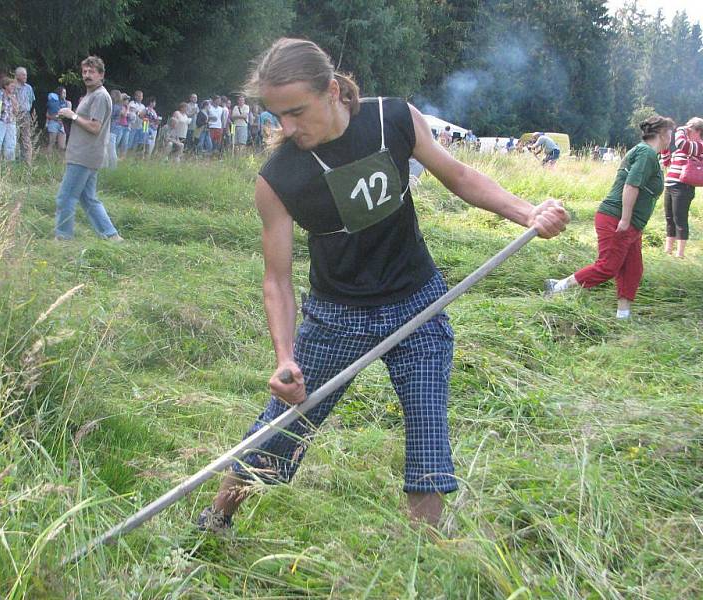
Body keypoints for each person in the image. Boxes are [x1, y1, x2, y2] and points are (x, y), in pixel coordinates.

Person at [196, 38, 568, 534]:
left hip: (418, 302)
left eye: (296, 111)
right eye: (276, 114)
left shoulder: (392, 118)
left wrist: (528, 212)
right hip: (337, 316)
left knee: (428, 429)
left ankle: (424, 554)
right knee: (284, 422)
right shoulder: (279, 177)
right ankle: (216, 519)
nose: (284, 127)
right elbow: (277, 278)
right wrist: (285, 357)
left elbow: (458, 175)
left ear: (331, 91)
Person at [545, 116, 675, 319]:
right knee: (607, 267)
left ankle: (623, 316)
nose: (671, 138)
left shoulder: (647, 154)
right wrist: (624, 219)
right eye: (670, 133)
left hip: (632, 223)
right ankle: (557, 286)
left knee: (633, 268)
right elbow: (631, 185)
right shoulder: (646, 153)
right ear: (661, 134)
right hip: (618, 219)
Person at [53, 56, 122, 242]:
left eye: (92, 72)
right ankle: (112, 236)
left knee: (65, 197)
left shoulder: (100, 96)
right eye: (84, 72)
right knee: (88, 199)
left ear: (101, 75)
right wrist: (69, 118)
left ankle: (63, 238)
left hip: (85, 155)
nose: (87, 75)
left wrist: (73, 116)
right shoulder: (92, 95)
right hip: (85, 153)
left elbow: (95, 127)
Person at [661, 118, 703, 258]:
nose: (687, 132)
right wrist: (664, 147)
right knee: (669, 218)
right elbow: (666, 162)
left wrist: (680, 129)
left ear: (698, 131)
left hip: (683, 187)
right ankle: (668, 250)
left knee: (680, 219)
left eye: (690, 129)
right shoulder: (685, 148)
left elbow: (680, 143)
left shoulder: (699, 146)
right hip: (670, 184)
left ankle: (680, 253)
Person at [0, 77, 20, 162]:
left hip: (11, 122)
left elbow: (16, 111)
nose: (13, 88)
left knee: (11, 143)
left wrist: (14, 102)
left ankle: (9, 162)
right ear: (6, 86)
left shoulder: (13, 96)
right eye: (11, 86)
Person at [14, 67, 36, 165]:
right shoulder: (13, 86)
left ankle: (27, 161)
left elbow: (31, 101)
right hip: (14, 115)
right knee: (14, 136)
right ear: (17, 75)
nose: (25, 76)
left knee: (26, 138)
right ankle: (15, 159)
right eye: (23, 74)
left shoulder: (29, 88)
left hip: (25, 114)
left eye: (26, 74)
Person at [46, 86, 72, 155]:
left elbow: (68, 114)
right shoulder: (53, 102)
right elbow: (47, 115)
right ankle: (49, 159)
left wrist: (59, 117)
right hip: (53, 123)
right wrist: (56, 118)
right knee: (52, 142)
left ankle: (60, 161)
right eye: (63, 93)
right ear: (59, 93)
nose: (65, 94)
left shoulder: (68, 103)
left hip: (62, 125)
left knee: (62, 146)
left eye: (65, 93)